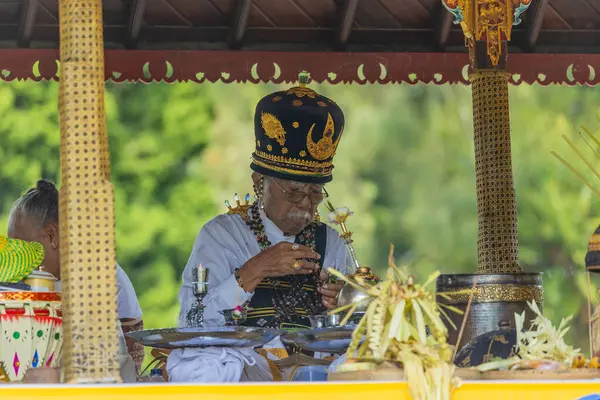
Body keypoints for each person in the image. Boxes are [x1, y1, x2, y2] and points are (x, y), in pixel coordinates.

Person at [168, 73, 351, 382]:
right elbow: (192, 323)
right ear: (259, 183)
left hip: (316, 373)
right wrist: (252, 272)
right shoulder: (221, 236)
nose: (306, 205)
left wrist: (342, 304)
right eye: (294, 192)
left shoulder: (330, 242)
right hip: (249, 371)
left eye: (315, 193)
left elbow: (345, 330)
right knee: (201, 364)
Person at [7, 179, 145, 372]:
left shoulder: (100, 275)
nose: (16, 259)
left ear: (52, 236)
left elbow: (127, 357)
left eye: (21, 248)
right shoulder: (30, 281)